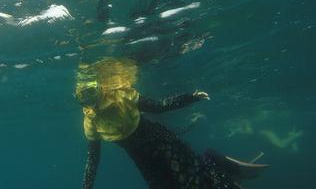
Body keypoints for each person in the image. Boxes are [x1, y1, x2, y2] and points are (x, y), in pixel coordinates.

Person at [75, 57, 268, 189]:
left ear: (100, 88)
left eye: (91, 92)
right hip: (143, 159)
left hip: (161, 141)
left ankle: (216, 162)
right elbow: (93, 159)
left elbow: (159, 106)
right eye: (83, 96)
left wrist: (190, 97)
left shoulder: (121, 95)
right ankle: (214, 164)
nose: (90, 100)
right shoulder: (90, 121)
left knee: (191, 176)